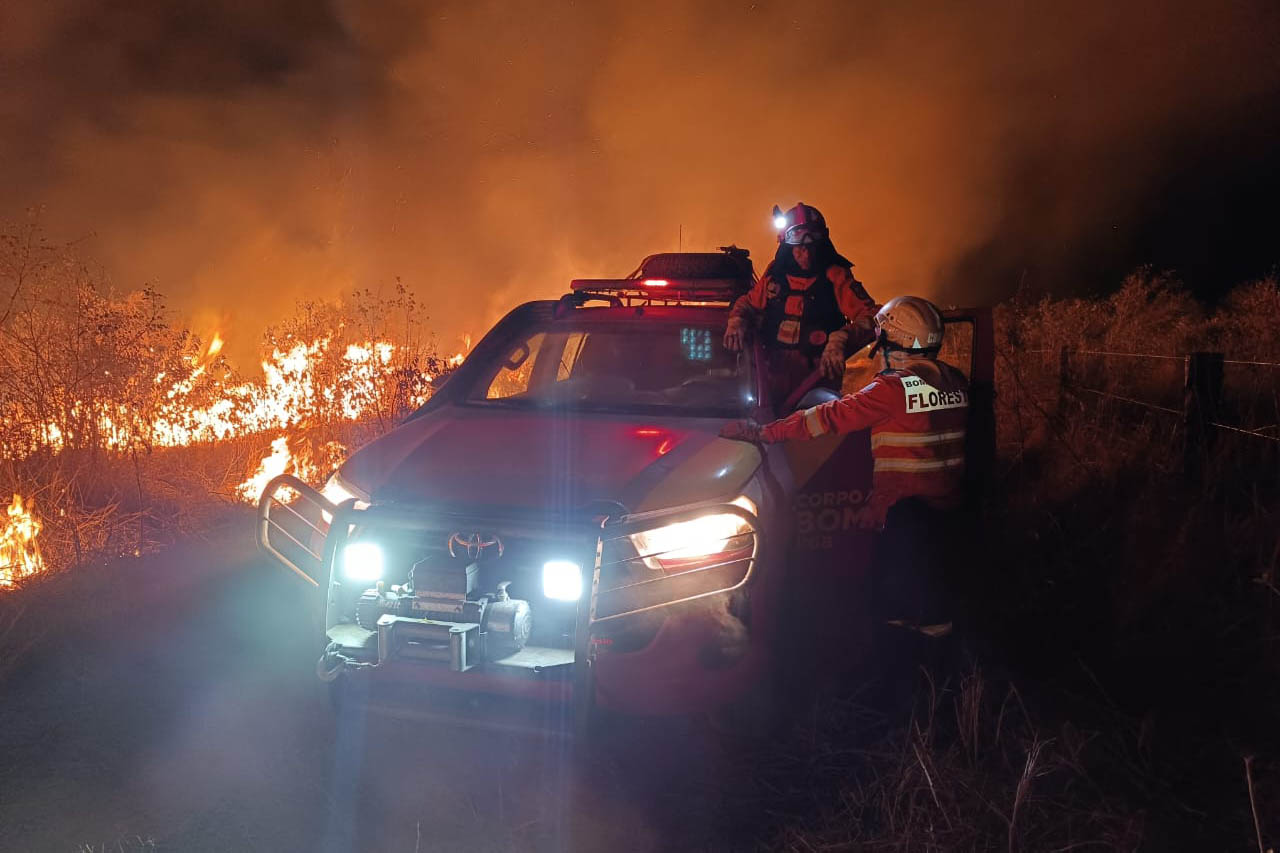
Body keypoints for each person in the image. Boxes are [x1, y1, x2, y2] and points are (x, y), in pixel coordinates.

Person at [720, 295, 969, 639]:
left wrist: (765, 432)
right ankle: (950, 678)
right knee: (938, 605)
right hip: (950, 511)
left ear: (889, 342)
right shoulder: (955, 381)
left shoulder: (891, 389)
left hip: (905, 515)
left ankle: (910, 677)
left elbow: (827, 417)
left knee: (901, 614)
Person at [723, 203, 878, 406]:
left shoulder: (835, 276)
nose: (806, 255)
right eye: (799, 247)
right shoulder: (775, 274)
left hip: (816, 383)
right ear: (787, 245)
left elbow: (873, 316)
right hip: (769, 382)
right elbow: (749, 303)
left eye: (812, 246)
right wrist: (736, 320)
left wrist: (841, 338)